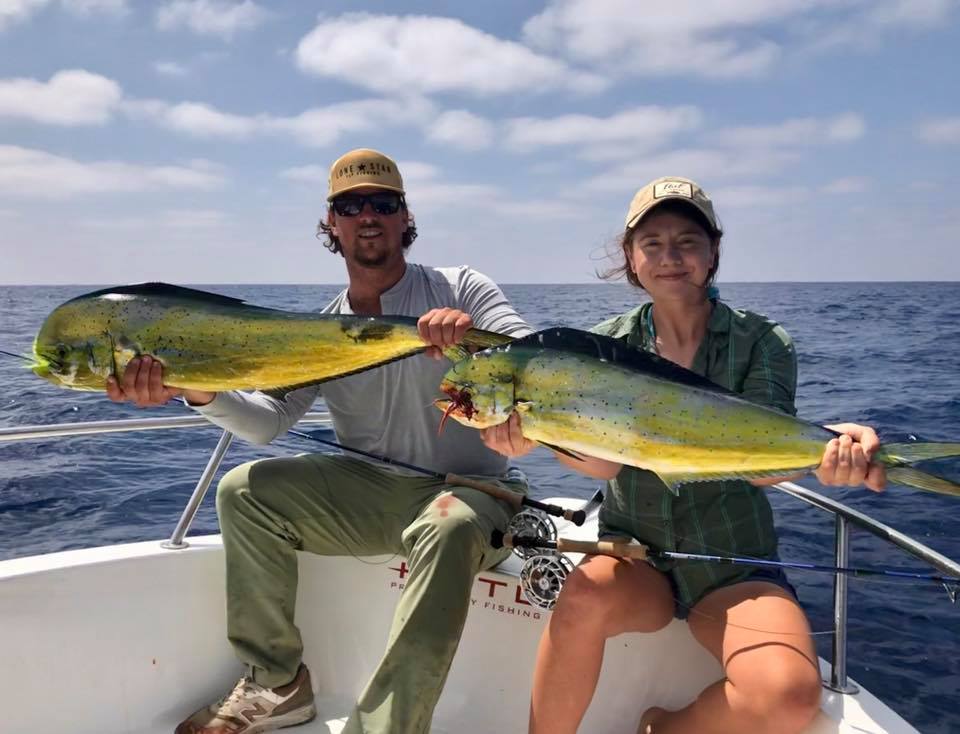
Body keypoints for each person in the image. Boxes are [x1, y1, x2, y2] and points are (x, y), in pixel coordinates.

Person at [106, 148, 533, 734]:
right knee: (243, 491)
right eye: (350, 206)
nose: (368, 215)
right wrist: (195, 389)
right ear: (332, 224)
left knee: (448, 525)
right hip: (371, 494)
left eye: (383, 203)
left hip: (471, 492)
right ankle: (276, 683)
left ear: (405, 216)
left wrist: (476, 343)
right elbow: (267, 420)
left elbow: (531, 357)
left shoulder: (461, 288)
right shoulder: (324, 329)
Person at [481, 176, 887, 734]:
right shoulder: (600, 349)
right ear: (630, 257)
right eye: (652, 243)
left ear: (713, 251)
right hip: (635, 555)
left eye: (687, 241)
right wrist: (538, 437)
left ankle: (662, 729)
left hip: (734, 564)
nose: (670, 257)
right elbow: (605, 464)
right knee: (582, 599)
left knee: (789, 696)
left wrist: (828, 447)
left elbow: (762, 459)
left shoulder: (761, 342)